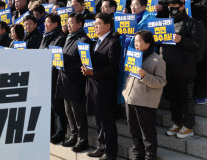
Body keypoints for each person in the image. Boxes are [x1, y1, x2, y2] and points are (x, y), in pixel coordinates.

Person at [161, 0, 203, 138]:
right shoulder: (167, 23)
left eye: (174, 6)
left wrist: (181, 40)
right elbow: (162, 45)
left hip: (186, 69)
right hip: (169, 68)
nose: (171, 9)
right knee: (173, 98)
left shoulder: (193, 23)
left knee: (187, 98)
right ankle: (177, 122)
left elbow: (198, 44)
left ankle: (188, 126)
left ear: (182, 6)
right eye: (169, 6)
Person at [123, 30, 166, 160]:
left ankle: (150, 157)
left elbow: (161, 82)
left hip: (146, 102)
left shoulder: (157, 60)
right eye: (135, 41)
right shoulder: (134, 56)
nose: (136, 44)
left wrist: (144, 76)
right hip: (130, 99)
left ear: (148, 42)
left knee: (147, 133)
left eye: (139, 41)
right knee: (134, 132)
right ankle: (138, 155)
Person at [83, 13, 121, 160]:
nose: (95, 26)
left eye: (98, 24)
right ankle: (101, 146)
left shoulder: (113, 43)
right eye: (95, 24)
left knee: (107, 122)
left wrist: (94, 72)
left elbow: (112, 68)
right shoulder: (95, 42)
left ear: (108, 26)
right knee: (98, 120)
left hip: (105, 88)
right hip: (93, 85)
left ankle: (110, 152)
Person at [57, 13, 91, 153]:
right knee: (68, 111)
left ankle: (82, 140)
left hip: (76, 81)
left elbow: (84, 63)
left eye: (71, 22)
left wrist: (68, 67)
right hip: (65, 81)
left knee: (77, 113)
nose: (68, 24)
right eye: (67, 22)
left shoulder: (84, 40)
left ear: (80, 24)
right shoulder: (68, 38)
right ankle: (73, 135)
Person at [39, 14, 67, 143]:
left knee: (57, 106)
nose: (45, 24)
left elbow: (58, 58)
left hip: (55, 77)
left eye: (48, 22)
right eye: (44, 22)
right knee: (49, 106)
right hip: (45, 75)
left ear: (56, 24)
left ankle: (60, 132)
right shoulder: (46, 36)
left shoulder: (60, 37)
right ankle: (50, 130)